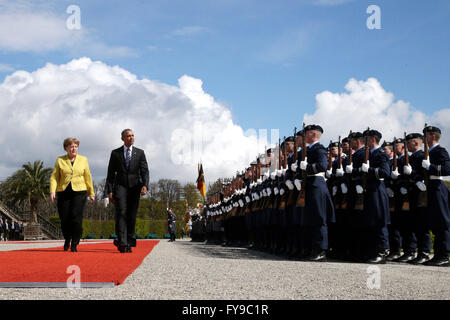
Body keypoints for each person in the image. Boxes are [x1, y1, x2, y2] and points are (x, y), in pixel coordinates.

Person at [105, 129, 149, 253]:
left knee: (131, 215)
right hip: (120, 187)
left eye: (132, 135)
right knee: (121, 213)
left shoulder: (140, 153)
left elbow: (145, 171)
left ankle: (129, 240)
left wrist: (145, 185)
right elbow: (110, 174)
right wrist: (109, 191)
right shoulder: (115, 153)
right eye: (128, 136)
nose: (131, 137)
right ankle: (123, 243)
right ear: (123, 138)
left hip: (135, 188)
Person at [50, 137, 95, 252]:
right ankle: (67, 238)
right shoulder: (60, 160)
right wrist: (52, 191)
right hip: (63, 192)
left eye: (75, 146)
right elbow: (54, 177)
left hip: (79, 192)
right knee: (64, 218)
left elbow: (88, 177)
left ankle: (75, 242)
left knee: (76, 217)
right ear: (66, 148)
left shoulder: (83, 160)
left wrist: (91, 193)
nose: (74, 149)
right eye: (71, 146)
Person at [298, 124, 335, 261]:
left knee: (319, 218)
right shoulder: (308, 149)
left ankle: (321, 250)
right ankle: (311, 248)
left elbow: (322, 166)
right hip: (309, 184)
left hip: (316, 184)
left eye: (306, 133)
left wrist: (307, 168)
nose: (304, 136)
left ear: (313, 135)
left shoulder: (319, 149)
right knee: (309, 218)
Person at [421, 126, 450, 266]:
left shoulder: (440, 151)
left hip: (438, 187)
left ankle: (444, 255)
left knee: (442, 222)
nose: (423, 139)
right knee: (434, 222)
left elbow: (447, 169)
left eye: (425, 135)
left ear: (432, 136)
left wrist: (430, 167)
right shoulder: (426, 152)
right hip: (429, 188)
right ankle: (438, 254)